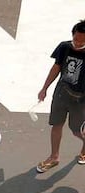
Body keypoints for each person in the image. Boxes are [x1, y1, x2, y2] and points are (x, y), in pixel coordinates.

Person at [35, 20, 85, 173]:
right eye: (76, 39)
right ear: (72, 35)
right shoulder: (64, 47)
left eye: (82, 41)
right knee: (56, 124)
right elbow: (56, 68)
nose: (78, 43)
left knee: (77, 130)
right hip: (62, 92)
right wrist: (44, 88)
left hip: (81, 98)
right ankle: (54, 157)